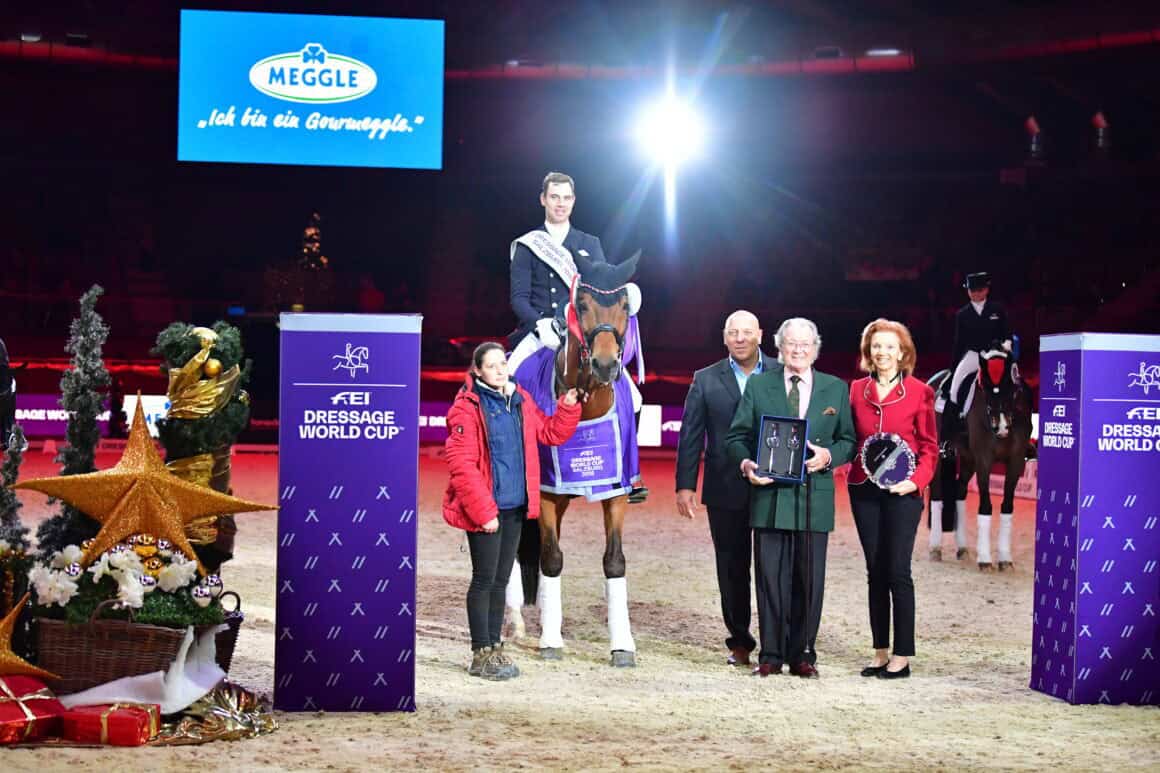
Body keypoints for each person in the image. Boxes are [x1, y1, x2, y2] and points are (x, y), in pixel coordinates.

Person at [725, 318, 856, 678]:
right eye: (791, 344)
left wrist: (829, 457)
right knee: (769, 579)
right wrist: (747, 463)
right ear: (779, 348)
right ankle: (770, 654)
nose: (798, 350)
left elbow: (848, 440)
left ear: (816, 348)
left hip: (815, 499)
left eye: (805, 344)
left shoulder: (835, 388)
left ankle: (804, 654)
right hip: (769, 498)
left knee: (809, 581)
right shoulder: (759, 385)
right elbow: (736, 437)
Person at [442, 342, 581, 680]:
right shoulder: (466, 407)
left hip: (516, 507)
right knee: (484, 580)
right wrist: (482, 511)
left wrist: (568, 407)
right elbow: (461, 465)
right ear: (477, 371)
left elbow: (549, 433)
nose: (500, 370)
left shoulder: (519, 399)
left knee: (501, 580)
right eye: (492, 366)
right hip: (486, 510)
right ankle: (481, 652)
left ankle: (495, 647)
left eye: (503, 363)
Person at [675, 310, 770, 667]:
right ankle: (741, 643)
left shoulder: (780, 372)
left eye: (747, 331)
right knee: (731, 568)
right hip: (724, 487)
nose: (740, 338)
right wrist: (685, 485)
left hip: (773, 486)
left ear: (761, 334)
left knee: (771, 567)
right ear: (724, 336)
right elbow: (690, 434)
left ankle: (774, 643)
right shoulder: (705, 378)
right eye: (734, 332)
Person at [848, 319, 938, 680]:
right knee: (875, 571)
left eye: (890, 347)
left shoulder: (919, 392)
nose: (882, 352)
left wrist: (915, 482)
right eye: (876, 346)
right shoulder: (855, 390)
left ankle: (903, 655)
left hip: (904, 493)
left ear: (902, 353)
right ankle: (880, 651)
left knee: (898, 570)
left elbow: (931, 448)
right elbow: (847, 437)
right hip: (863, 490)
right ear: (868, 352)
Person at [507, 171, 607, 372]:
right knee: (508, 384)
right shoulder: (527, 245)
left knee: (630, 393)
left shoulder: (590, 243)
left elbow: (601, 294)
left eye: (566, 198)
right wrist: (540, 324)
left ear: (573, 201)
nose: (561, 204)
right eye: (554, 197)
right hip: (537, 334)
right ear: (543, 199)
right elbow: (519, 299)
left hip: (581, 333)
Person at [940, 271, 1011, 456]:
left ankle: (1020, 434)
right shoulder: (962, 314)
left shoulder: (997, 309)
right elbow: (958, 343)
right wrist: (953, 368)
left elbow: (1007, 333)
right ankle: (946, 439)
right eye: (972, 290)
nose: (976, 294)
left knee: (1014, 384)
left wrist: (1006, 344)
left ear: (986, 290)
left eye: (979, 290)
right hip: (973, 356)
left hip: (996, 355)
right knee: (954, 390)